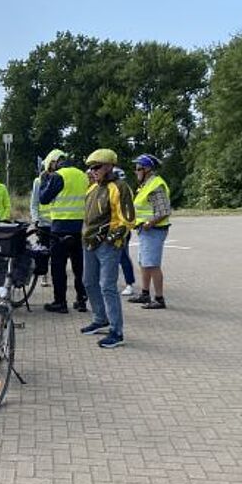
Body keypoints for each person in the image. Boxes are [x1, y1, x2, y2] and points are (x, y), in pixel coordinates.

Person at [79, 149, 135, 349]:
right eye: (91, 167)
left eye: (97, 167)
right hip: (89, 244)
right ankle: (100, 318)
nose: (93, 171)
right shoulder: (91, 189)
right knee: (88, 282)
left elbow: (127, 219)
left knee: (108, 286)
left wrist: (112, 239)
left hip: (107, 245)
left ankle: (116, 331)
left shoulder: (119, 187)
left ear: (110, 166)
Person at [38, 149, 87, 313]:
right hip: (79, 226)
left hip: (59, 228)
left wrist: (44, 180)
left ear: (53, 162)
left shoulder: (58, 176)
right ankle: (81, 300)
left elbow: (43, 199)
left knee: (58, 267)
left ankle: (60, 302)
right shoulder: (82, 175)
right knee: (78, 266)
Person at [127, 154, 171, 309]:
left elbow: (164, 211)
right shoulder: (146, 185)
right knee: (144, 263)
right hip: (145, 231)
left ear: (147, 169)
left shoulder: (156, 185)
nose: (135, 171)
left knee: (152, 264)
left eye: (138, 168)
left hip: (154, 230)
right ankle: (145, 294)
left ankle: (159, 299)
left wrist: (149, 223)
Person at [112, 167, 136, 296]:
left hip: (121, 228)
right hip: (116, 227)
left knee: (122, 257)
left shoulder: (122, 190)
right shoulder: (120, 188)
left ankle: (129, 283)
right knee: (117, 257)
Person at [29, 170, 52, 287]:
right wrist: (35, 219)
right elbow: (34, 203)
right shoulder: (38, 181)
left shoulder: (59, 180)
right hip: (43, 223)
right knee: (44, 251)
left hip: (57, 222)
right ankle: (44, 276)